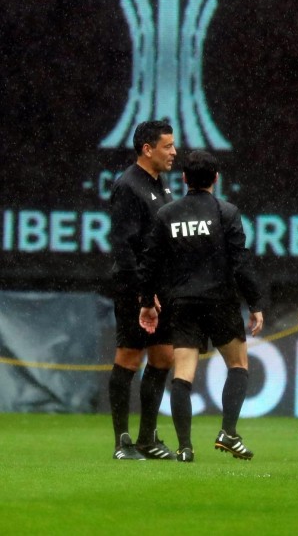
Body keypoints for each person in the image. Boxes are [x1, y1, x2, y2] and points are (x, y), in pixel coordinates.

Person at [138, 150, 265, 462]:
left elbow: (149, 263)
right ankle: (228, 433)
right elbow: (240, 262)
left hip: (181, 304)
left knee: (183, 375)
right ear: (216, 179)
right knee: (238, 365)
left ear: (183, 179)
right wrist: (256, 303)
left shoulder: (167, 214)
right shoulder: (227, 212)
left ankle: (184, 448)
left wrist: (146, 302)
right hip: (220, 301)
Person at [108, 120, 177, 460]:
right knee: (129, 356)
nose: (174, 152)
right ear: (147, 149)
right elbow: (123, 244)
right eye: (168, 146)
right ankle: (122, 441)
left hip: (159, 289)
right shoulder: (128, 186)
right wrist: (141, 294)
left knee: (164, 356)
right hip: (134, 287)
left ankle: (147, 437)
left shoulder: (159, 187)